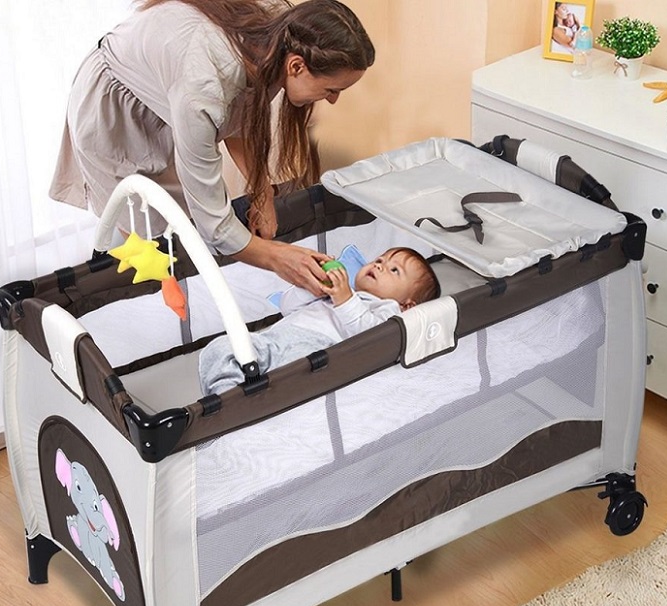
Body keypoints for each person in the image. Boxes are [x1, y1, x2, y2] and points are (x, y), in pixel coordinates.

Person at [49, 0, 375, 295]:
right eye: (333, 89)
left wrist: (262, 191)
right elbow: (215, 227)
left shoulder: (284, 32)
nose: (333, 100)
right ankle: (125, 303)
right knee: (147, 228)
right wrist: (279, 258)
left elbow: (238, 112)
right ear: (296, 67)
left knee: (185, 220)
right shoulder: (204, 86)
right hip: (116, 111)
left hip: (178, 84)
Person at [199, 247, 441, 396]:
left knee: (289, 380)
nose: (380, 265)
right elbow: (287, 307)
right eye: (380, 259)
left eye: (394, 270)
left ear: (407, 304)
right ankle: (225, 398)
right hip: (272, 340)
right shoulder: (339, 292)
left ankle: (248, 404)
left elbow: (371, 337)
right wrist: (313, 286)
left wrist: (345, 298)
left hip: (314, 350)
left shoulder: (387, 311)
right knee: (221, 347)